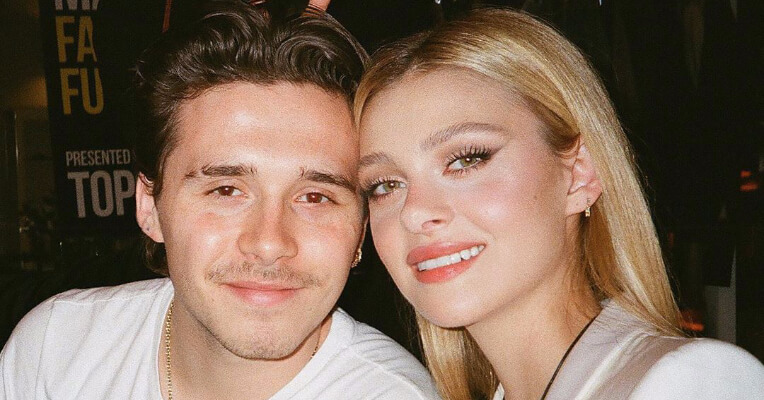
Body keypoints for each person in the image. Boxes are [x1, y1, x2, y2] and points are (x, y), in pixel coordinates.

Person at [0, 2, 440, 399]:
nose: (269, 244)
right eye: (226, 191)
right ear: (149, 206)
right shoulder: (56, 349)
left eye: (315, 197)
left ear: (360, 231)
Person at [354, 8, 764, 400]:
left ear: (579, 174)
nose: (414, 212)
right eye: (385, 185)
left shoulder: (687, 382)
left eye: (466, 160)